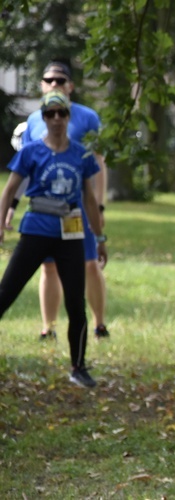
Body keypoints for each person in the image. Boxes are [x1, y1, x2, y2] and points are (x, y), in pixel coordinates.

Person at [0, 90, 106, 388]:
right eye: (50, 114)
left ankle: (78, 366)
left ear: (69, 116)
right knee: (6, 292)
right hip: (35, 231)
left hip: (71, 235)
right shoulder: (31, 151)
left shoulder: (82, 154)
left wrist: (100, 237)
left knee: (76, 303)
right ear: (43, 118)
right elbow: (9, 190)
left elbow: (89, 198)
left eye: (61, 113)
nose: (56, 119)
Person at [9, 60, 110, 341]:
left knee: (90, 265)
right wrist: (12, 206)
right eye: (49, 80)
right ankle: (48, 327)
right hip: (43, 214)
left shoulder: (87, 117)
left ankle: (99, 324)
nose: (55, 84)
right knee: (48, 267)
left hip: (77, 212)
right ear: (41, 85)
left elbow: (98, 165)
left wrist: (98, 209)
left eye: (61, 80)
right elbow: (24, 171)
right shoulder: (31, 121)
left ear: (71, 86)